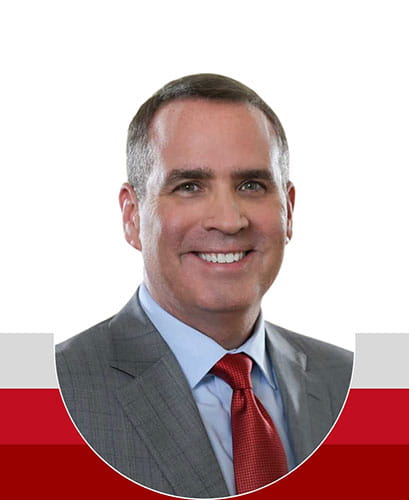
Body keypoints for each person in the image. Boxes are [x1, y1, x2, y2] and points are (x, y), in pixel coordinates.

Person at [56, 73, 353, 498]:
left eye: (251, 185)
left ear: (288, 210)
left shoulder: (359, 385)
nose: (229, 220)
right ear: (132, 215)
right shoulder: (44, 395)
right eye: (189, 186)